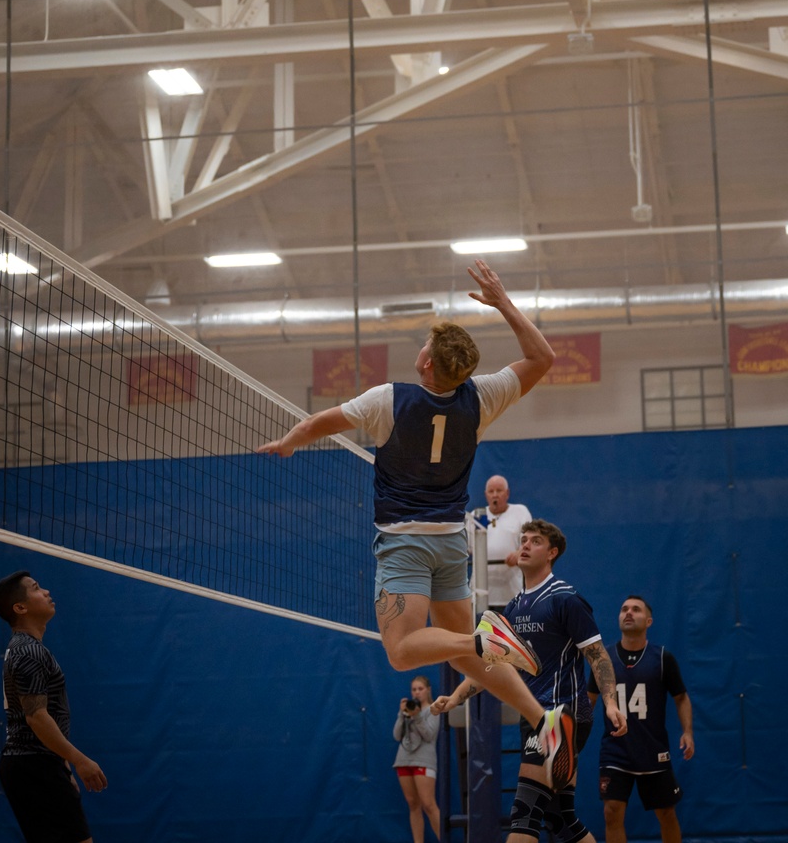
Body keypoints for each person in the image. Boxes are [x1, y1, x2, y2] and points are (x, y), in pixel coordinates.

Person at [259, 260, 577, 791]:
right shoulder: (483, 398)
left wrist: (291, 441)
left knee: (403, 651)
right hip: (453, 541)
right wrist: (501, 301)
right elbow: (542, 357)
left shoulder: (388, 398)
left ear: (425, 361)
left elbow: (319, 423)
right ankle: (542, 717)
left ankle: (487, 637)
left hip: (405, 543)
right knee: (462, 649)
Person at [434, 520, 628, 843]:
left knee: (524, 815)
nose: (524, 545)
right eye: (522, 540)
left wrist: (610, 702)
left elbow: (597, 655)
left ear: (551, 553)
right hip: (535, 719)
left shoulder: (565, 598)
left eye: (535, 541)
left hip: (562, 718)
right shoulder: (513, 607)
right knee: (559, 820)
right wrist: (455, 697)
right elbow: (493, 667)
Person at [0, 571, 107, 843]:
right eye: (36, 588)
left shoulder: (26, 648)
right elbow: (36, 717)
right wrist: (79, 760)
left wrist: (63, 765)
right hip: (33, 765)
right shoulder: (28, 651)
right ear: (20, 607)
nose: (46, 592)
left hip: (36, 764)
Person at [588, 595, 694, 843]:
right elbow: (589, 700)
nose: (628, 613)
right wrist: (573, 732)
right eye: (624, 609)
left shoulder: (662, 658)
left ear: (648, 621)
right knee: (611, 812)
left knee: (667, 812)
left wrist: (687, 731)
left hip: (653, 751)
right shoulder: (605, 660)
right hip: (615, 751)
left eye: (635, 610)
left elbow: (681, 697)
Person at [470, 474, 531, 609]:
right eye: (491, 491)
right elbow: (467, 547)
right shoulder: (478, 515)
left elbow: (529, 541)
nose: (495, 495)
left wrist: (519, 553)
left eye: (499, 491)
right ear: (486, 495)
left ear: (507, 493)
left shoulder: (520, 512)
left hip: (511, 592)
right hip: (481, 593)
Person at [393, 675, 442, 843]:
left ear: (428, 690)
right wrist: (402, 714)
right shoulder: (408, 710)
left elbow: (429, 735)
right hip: (403, 760)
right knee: (413, 804)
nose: (416, 693)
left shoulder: (434, 709)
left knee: (428, 804)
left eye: (420, 689)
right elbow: (396, 735)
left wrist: (417, 716)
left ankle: (444, 839)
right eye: (414, 689)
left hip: (424, 760)